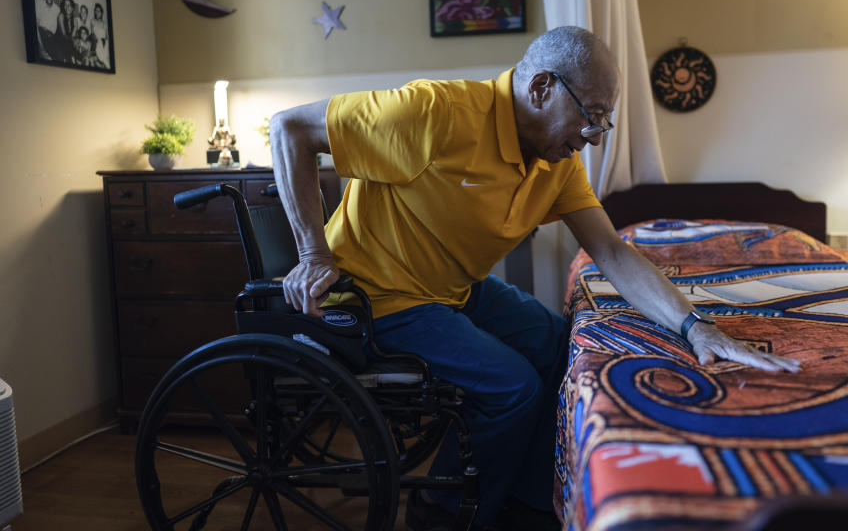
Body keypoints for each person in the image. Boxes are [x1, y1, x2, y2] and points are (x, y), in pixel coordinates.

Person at [269, 26, 800, 531]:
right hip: (374, 295)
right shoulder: (433, 112)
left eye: (603, 121)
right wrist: (313, 251)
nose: (593, 137)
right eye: (591, 116)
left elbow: (612, 250)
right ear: (543, 87)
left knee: (560, 342)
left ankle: (526, 499)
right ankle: (441, 506)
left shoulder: (557, 162)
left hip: (452, 287)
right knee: (513, 386)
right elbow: (288, 127)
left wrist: (697, 328)